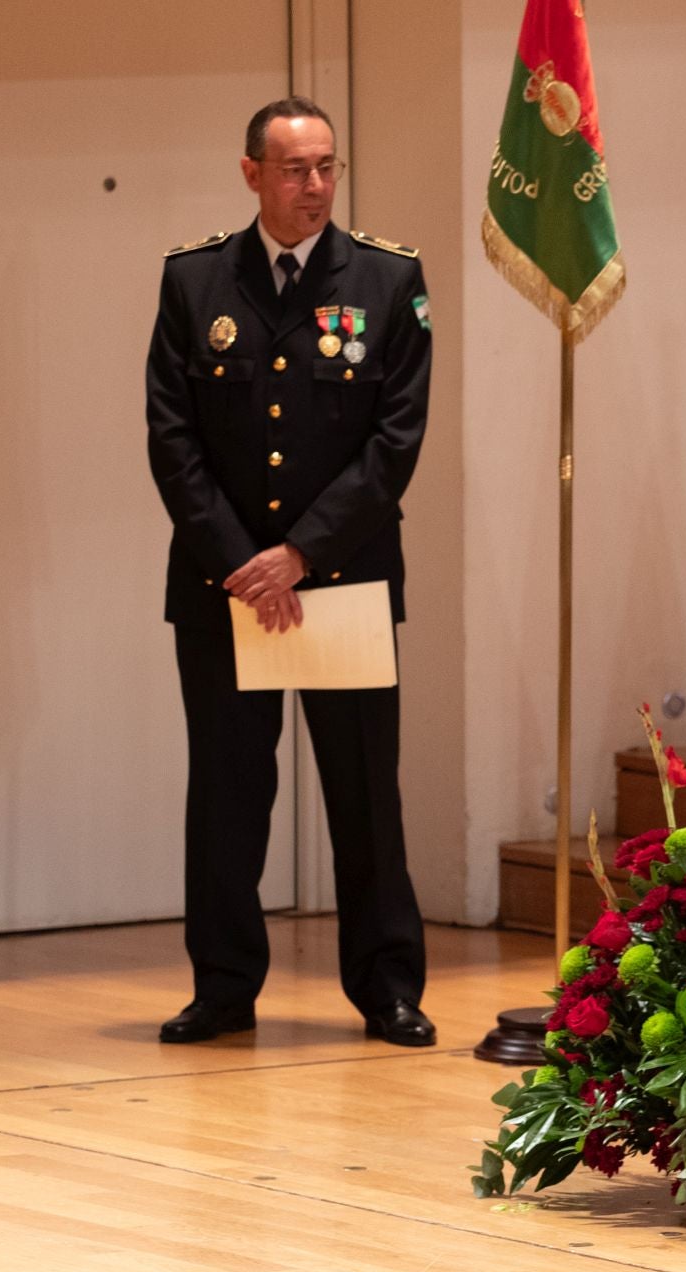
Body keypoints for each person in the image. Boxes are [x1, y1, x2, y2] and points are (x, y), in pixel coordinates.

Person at [145, 97, 436, 1047]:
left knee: (364, 793)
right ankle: (224, 988)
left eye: (326, 169)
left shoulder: (389, 280)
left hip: (343, 580)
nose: (314, 188)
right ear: (251, 174)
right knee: (227, 795)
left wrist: (302, 552)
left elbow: (395, 442)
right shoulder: (195, 282)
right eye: (294, 171)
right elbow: (172, 437)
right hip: (225, 590)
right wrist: (243, 563)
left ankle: (387, 987)